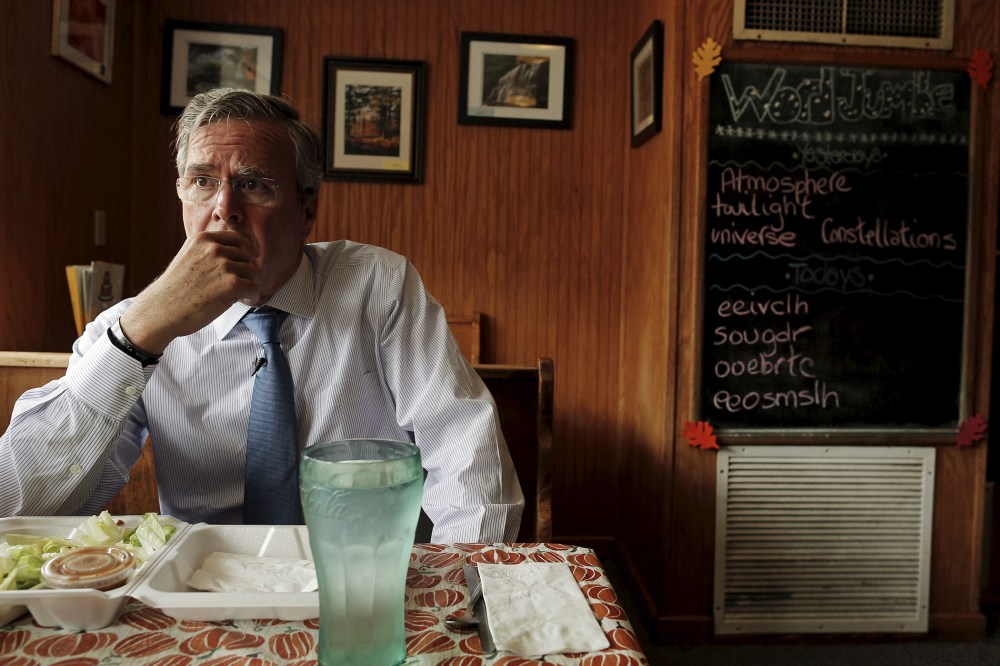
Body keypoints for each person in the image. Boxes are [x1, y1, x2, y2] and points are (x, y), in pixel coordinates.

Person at [0, 88, 523, 543]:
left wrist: (458, 589)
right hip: (206, 593)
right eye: (202, 181)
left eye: (254, 185)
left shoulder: (376, 286)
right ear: (182, 194)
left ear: (307, 211)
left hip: (366, 574)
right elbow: (16, 508)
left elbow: (464, 452)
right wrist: (136, 338)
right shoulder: (133, 325)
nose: (224, 208)